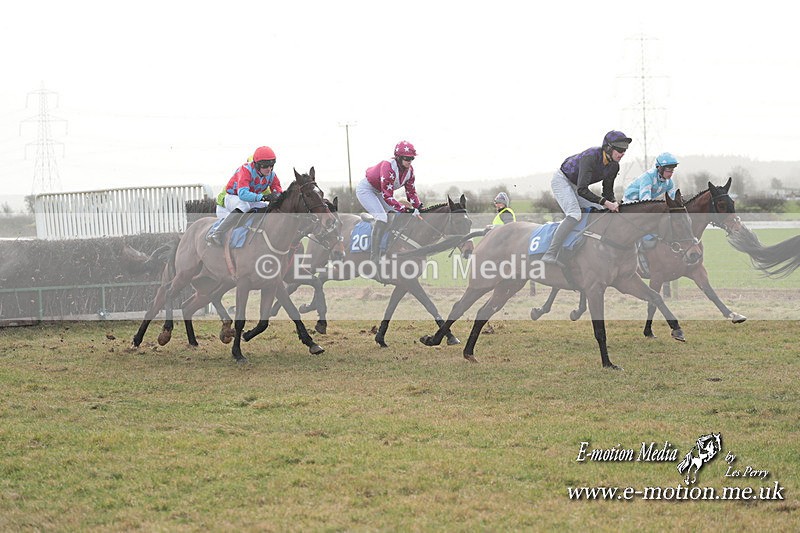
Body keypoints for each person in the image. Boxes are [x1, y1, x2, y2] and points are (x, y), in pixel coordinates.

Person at [540, 130, 632, 268]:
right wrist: (606, 203)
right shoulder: (591, 157)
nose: (623, 153)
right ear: (608, 148)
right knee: (575, 214)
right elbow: (582, 190)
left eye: (625, 150)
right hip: (562, 180)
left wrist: (613, 203)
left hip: (577, 185)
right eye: (620, 149)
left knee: (601, 210)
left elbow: (607, 191)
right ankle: (550, 252)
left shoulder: (614, 166)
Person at [356, 140, 423, 263]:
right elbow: (388, 196)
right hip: (367, 190)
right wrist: (406, 209)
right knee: (382, 218)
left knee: (396, 215)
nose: (409, 161)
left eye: (412, 158)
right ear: (398, 157)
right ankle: (374, 256)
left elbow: (411, 192)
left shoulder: (410, 171)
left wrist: (419, 207)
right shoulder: (388, 167)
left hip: (379, 192)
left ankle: (390, 246)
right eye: (407, 158)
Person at [206, 146, 283, 246]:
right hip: (232, 198)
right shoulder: (245, 170)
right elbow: (242, 194)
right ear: (257, 165)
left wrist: (278, 196)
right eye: (265, 166)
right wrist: (263, 197)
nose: (269, 169)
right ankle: (217, 233)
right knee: (244, 206)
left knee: (266, 207)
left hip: (248, 201)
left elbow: (278, 191)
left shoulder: (272, 175)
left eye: (271, 165)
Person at [623, 152, 680, 276]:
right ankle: (635, 253)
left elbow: (672, 204)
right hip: (631, 202)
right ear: (660, 168)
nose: (671, 173)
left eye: (672, 170)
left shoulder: (670, 183)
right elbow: (646, 202)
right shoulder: (648, 177)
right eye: (668, 169)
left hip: (645, 203)